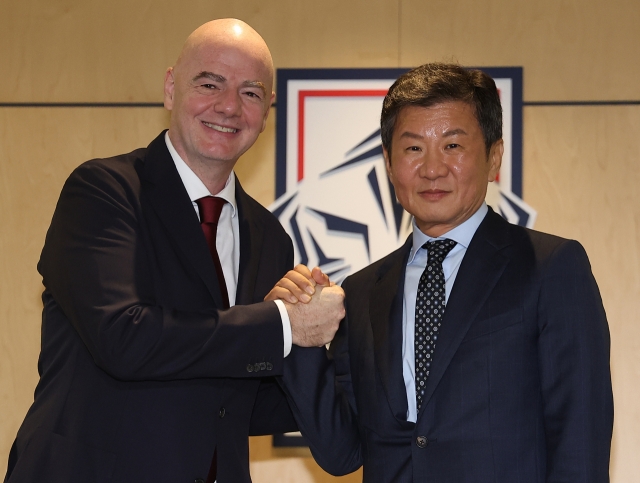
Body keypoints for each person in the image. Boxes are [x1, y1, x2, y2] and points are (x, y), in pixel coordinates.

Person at [4, 19, 344, 483]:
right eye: (210, 83)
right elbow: (123, 339)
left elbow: (242, 402)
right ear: (170, 88)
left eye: (250, 93)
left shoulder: (269, 236)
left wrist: (335, 352)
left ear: (266, 112)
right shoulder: (104, 192)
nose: (228, 107)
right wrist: (283, 324)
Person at [270, 63, 614, 482]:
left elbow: (580, 439)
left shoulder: (550, 267)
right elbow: (341, 453)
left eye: (452, 146)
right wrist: (299, 338)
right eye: (413, 148)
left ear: (494, 156)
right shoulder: (361, 294)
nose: (432, 169)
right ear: (389, 162)